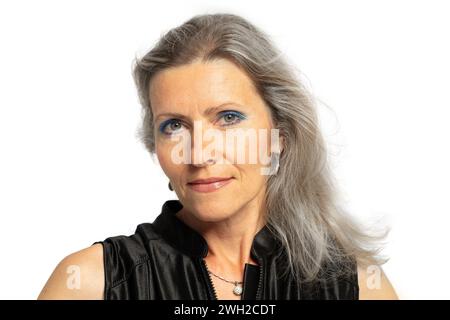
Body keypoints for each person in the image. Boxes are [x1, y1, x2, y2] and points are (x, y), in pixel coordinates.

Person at [38, 13, 398, 300]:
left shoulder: (355, 286)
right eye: (174, 125)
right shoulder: (90, 284)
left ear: (280, 136)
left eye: (228, 118)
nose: (198, 152)